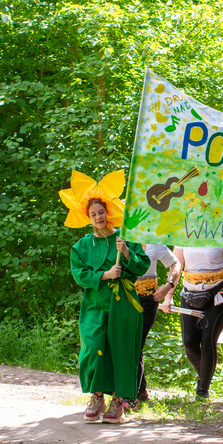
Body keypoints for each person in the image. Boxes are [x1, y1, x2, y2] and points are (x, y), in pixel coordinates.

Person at [63, 170, 150, 423]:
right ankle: (96, 396)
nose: (98, 216)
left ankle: (117, 401)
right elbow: (80, 274)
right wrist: (105, 274)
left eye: (101, 212)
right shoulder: (81, 246)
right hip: (95, 305)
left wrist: (125, 253)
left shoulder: (126, 237)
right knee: (92, 347)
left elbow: (142, 265)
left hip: (123, 304)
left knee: (121, 349)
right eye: (93, 214)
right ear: (87, 217)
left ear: (108, 211)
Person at [173, 246, 223, 399]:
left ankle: (203, 389)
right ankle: (203, 374)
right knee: (189, 341)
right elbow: (177, 266)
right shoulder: (184, 234)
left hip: (219, 293)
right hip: (190, 292)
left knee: (208, 340)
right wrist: (169, 294)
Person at [133, 244, 182, 403]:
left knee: (136, 344)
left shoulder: (153, 242)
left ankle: (130, 395)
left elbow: (176, 263)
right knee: (130, 344)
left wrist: (168, 286)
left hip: (148, 299)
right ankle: (140, 391)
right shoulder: (120, 239)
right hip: (124, 299)